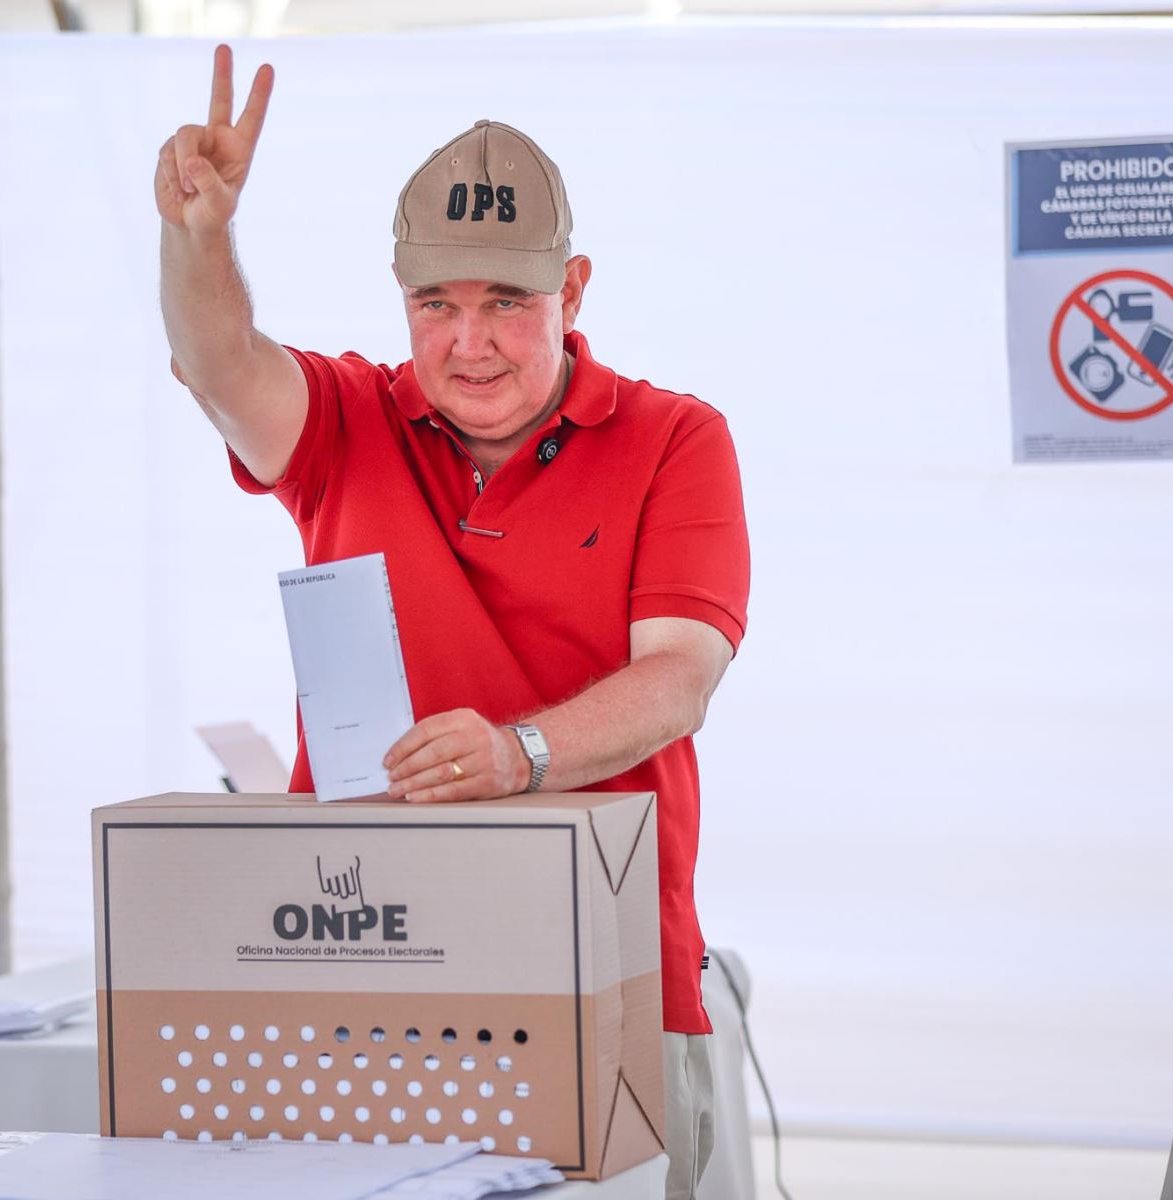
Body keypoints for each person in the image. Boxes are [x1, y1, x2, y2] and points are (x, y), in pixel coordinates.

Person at [156, 48, 750, 1199]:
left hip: (605, 982)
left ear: (573, 291)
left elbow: (678, 676)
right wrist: (199, 235)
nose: (468, 345)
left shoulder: (676, 439)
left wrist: (515, 756)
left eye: (506, 307)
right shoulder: (347, 421)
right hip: (359, 980)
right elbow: (217, 362)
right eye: (438, 305)